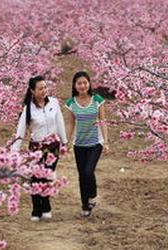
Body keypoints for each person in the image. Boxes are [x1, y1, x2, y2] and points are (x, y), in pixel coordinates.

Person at [12, 75, 68, 221]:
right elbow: (20, 130)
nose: (44, 90)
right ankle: (37, 208)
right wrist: (14, 151)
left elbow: (59, 122)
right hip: (36, 147)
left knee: (46, 176)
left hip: (53, 147)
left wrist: (65, 141)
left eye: (45, 87)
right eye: (40, 88)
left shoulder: (54, 103)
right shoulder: (28, 109)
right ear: (32, 91)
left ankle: (46, 205)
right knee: (36, 178)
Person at [65, 71, 109, 217]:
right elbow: (71, 124)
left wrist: (106, 142)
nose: (82, 86)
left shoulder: (97, 100)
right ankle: (85, 205)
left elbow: (103, 122)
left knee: (88, 172)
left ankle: (93, 194)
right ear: (74, 85)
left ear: (89, 83)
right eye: (79, 83)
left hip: (96, 142)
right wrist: (67, 142)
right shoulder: (71, 103)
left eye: (85, 82)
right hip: (79, 144)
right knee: (81, 175)